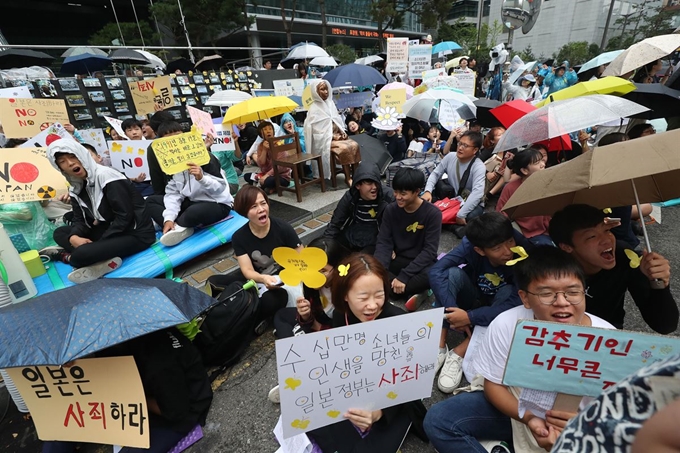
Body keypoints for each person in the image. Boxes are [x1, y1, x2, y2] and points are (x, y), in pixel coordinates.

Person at [424, 246, 615, 453]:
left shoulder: (610, 340)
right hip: (519, 407)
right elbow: (493, 386)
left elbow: (620, 415)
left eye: (573, 292)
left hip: (578, 425)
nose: (562, 302)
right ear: (524, 297)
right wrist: (530, 418)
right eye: (547, 294)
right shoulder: (507, 324)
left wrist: (583, 428)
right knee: (439, 420)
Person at [306, 253, 427, 452]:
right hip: (356, 388)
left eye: (379, 295)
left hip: (395, 402)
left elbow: (410, 381)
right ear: (345, 295)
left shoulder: (400, 322)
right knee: (315, 421)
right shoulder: (340, 315)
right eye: (363, 297)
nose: (372, 305)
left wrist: (380, 412)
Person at [42, 327, 213, 453]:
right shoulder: (116, 336)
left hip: (174, 407)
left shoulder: (159, 364)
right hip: (131, 389)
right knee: (57, 435)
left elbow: (175, 411)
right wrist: (75, 363)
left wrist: (127, 398)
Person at [430, 212, 529, 393]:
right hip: (474, 295)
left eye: (509, 241)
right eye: (498, 248)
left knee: (511, 293)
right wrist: (454, 314)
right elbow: (436, 271)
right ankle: (439, 345)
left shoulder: (523, 251)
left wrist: (470, 317)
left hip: (499, 305)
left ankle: (460, 352)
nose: (508, 251)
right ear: (480, 250)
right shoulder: (471, 244)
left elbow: (518, 301)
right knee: (451, 274)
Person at [40, 137, 155, 283]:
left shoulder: (106, 176)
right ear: (59, 168)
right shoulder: (75, 186)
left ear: (81, 155)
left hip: (136, 233)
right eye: (62, 162)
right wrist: (74, 237)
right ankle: (98, 257)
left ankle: (67, 256)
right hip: (109, 229)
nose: (70, 163)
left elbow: (125, 217)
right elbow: (80, 220)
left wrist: (99, 242)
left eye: (72, 156)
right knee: (61, 232)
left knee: (81, 254)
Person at [549, 204, 677, 333]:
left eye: (606, 230)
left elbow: (665, 326)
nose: (606, 240)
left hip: (609, 337)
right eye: (592, 236)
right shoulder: (548, 271)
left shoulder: (625, 257)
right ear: (567, 247)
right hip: (560, 337)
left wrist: (660, 284)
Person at [208, 186, 301, 334]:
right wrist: (263, 278)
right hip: (258, 279)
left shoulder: (283, 228)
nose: (261, 209)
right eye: (254, 206)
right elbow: (247, 270)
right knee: (217, 280)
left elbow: (302, 261)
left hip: (284, 281)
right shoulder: (239, 237)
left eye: (263, 203)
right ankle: (241, 310)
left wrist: (284, 279)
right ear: (244, 212)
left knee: (276, 298)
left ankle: (252, 318)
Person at [145, 122, 233, 247]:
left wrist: (202, 178)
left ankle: (181, 226)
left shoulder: (206, 158)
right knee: (151, 201)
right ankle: (175, 225)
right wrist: (169, 218)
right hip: (192, 202)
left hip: (217, 204)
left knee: (194, 212)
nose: (174, 142)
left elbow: (221, 188)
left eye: (177, 137)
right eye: (168, 140)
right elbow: (173, 194)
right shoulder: (172, 164)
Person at [374, 168, 441, 302]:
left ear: (417, 192)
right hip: (398, 258)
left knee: (435, 273)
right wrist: (378, 271)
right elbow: (384, 242)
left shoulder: (433, 213)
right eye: (396, 192)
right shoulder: (390, 210)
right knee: (371, 261)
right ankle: (410, 290)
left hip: (420, 262)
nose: (398, 197)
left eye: (403, 193)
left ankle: (390, 289)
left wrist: (403, 276)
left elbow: (429, 251)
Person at [323, 162, 395, 253]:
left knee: (361, 261)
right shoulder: (350, 196)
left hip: (377, 237)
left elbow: (397, 227)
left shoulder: (389, 197)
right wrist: (325, 246)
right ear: (358, 185)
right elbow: (335, 223)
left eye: (376, 182)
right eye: (369, 183)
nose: (374, 187)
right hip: (354, 233)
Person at [423, 131, 486, 235]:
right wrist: (428, 191)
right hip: (452, 198)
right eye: (460, 143)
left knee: (471, 216)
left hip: (468, 202)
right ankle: (453, 226)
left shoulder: (478, 166)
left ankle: (448, 222)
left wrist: (461, 214)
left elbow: (477, 193)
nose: (460, 148)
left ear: (475, 150)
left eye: (465, 145)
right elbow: (435, 174)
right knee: (428, 200)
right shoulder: (450, 156)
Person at [304, 79, 359, 183]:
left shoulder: (330, 104)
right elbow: (317, 132)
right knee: (345, 148)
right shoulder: (314, 109)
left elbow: (336, 120)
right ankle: (348, 178)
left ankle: (356, 175)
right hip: (325, 140)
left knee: (354, 145)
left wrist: (341, 132)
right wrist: (332, 136)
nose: (326, 92)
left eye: (326, 89)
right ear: (316, 92)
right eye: (322, 89)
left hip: (336, 136)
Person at [496, 147, 552, 245]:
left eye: (542, 161)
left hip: (548, 230)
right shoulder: (511, 188)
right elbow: (501, 214)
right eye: (537, 163)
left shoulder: (548, 183)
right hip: (522, 233)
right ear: (525, 170)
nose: (543, 165)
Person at [243, 122, 292, 193]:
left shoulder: (279, 144)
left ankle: (259, 185)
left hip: (281, 176)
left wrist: (267, 175)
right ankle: (266, 187)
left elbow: (281, 166)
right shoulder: (260, 145)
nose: (268, 131)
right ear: (261, 134)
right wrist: (264, 150)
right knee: (247, 176)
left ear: (273, 131)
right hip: (264, 174)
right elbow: (261, 164)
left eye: (270, 129)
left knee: (269, 181)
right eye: (265, 129)